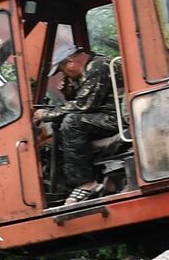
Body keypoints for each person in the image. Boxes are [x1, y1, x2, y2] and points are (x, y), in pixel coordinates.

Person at [39, 44, 120, 204]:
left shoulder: (99, 66)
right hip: (105, 116)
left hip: (115, 118)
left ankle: (85, 183)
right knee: (67, 123)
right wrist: (69, 93)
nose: (64, 74)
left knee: (72, 122)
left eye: (62, 70)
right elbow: (86, 103)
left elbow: (85, 105)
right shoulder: (90, 70)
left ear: (70, 61)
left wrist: (46, 114)